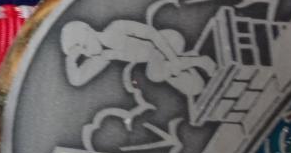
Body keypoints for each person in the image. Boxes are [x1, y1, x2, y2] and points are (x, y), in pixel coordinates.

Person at [60, 19, 216, 97]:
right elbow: (77, 80)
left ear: (88, 31)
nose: (87, 54)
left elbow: (153, 35)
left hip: (168, 42)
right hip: (160, 63)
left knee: (154, 74)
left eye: (85, 46)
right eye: (82, 53)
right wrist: (70, 59)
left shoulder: (116, 28)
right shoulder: (103, 56)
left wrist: (174, 59)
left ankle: (200, 61)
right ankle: (188, 60)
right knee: (194, 88)